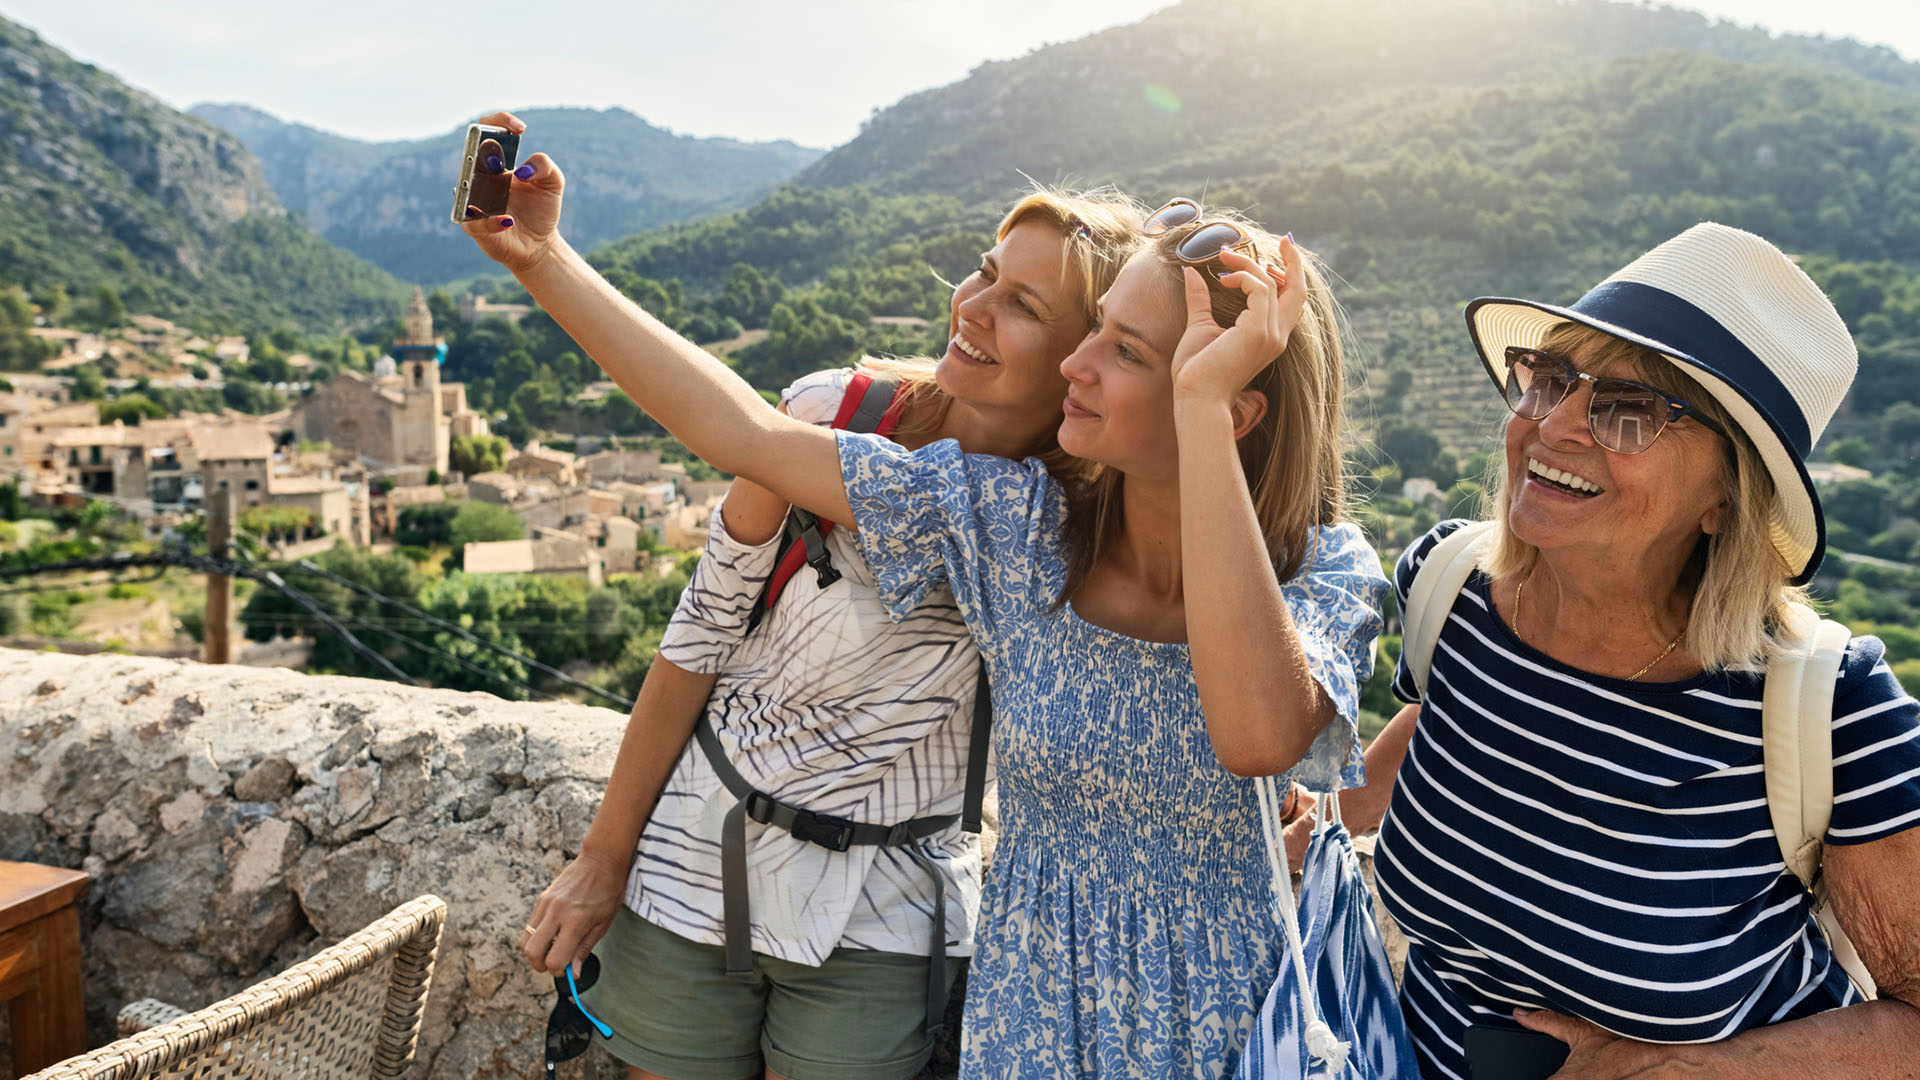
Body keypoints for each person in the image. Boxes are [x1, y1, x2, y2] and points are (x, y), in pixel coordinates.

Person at [466, 134, 1387, 1076]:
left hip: (1227, 1016)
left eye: (1124, 350)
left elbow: (1256, 737)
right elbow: (740, 429)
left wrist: (1199, 408)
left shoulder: (1323, 572)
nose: (1079, 363)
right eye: (1092, 329)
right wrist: (543, 259)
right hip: (1034, 1013)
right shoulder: (1017, 531)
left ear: (1231, 407)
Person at [1339, 222, 1920, 1079]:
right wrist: (1316, 824)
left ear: (1725, 498)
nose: (1556, 424)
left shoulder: (1832, 712)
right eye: (1551, 378)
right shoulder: (1451, 591)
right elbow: (1438, 735)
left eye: (1628, 409)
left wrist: (1668, 1071)